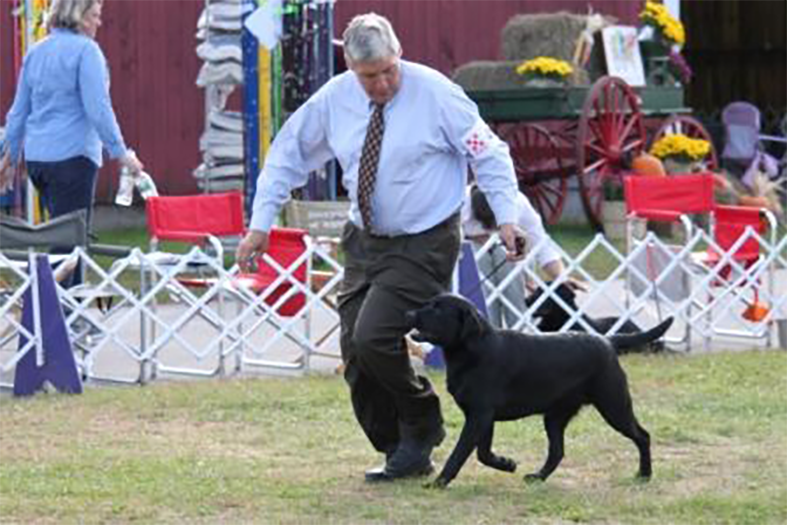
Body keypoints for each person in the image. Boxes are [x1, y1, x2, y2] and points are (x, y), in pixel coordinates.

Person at [236, 13, 525, 483]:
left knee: (374, 335)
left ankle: (423, 419)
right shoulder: (334, 100)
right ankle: (400, 449)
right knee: (355, 350)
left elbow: (488, 153)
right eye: (369, 76)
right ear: (350, 67)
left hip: (426, 240)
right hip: (365, 241)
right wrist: (260, 224)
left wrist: (507, 216)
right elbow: (287, 153)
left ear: (399, 54)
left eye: (389, 70)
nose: (382, 82)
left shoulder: (437, 95)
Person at [0, 0, 143, 238]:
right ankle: (65, 277)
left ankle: (51, 276)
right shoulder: (87, 51)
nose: (99, 22)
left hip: (38, 162)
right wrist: (121, 154)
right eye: (95, 16)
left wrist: (10, 158)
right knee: (70, 244)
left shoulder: (35, 52)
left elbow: (19, 111)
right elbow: (98, 108)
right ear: (79, 16)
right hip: (73, 158)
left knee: (61, 237)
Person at [462, 183, 568, 328]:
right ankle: (485, 330)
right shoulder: (459, 203)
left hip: (512, 254)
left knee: (508, 257)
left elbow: (541, 244)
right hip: (473, 253)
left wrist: (562, 279)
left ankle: (520, 330)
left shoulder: (518, 201)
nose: (493, 232)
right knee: (483, 295)